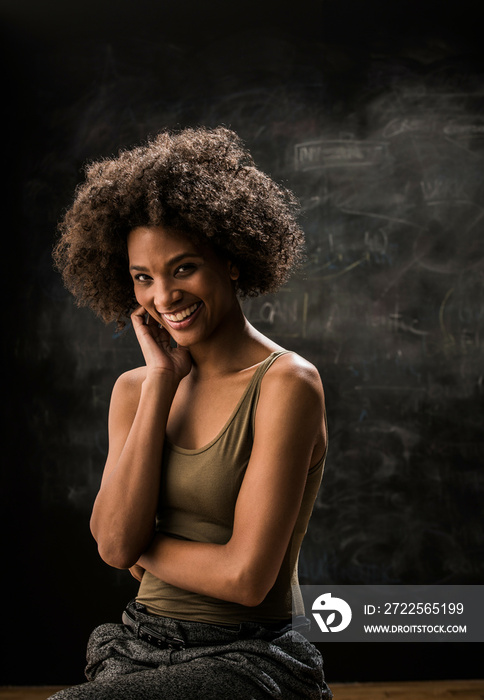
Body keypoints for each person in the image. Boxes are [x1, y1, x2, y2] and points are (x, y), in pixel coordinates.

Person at [50, 126, 332, 699]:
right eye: (143, 278)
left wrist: (142, 547)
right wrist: (160, 382)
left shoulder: (287, 384)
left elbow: (247, 578)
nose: (164, 296)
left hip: (249, 655)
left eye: (183, 268)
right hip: (135, 644)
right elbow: (110, 547)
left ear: (230, 259)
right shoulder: (135, 389)